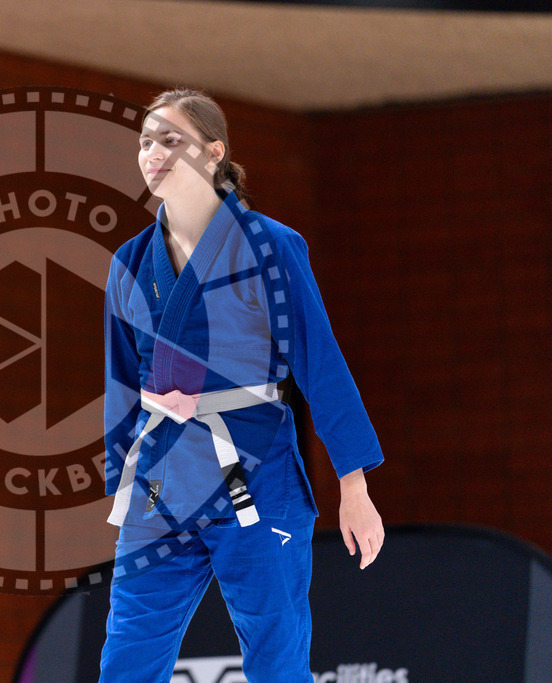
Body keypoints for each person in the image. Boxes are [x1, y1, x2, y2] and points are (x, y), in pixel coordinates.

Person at [100, 88, 385, 682]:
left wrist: (352, 486)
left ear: (213, 152)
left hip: (254, 474)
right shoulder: (130, 261)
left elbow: (320, 364)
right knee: (126, 658)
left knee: (276, 657)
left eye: (170, 140)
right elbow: (122, 380)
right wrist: (120, 483)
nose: (153, 153)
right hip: (162, 486)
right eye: (145, 142)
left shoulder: (271, 247)